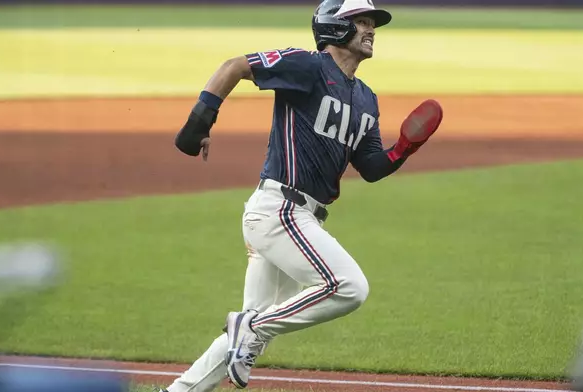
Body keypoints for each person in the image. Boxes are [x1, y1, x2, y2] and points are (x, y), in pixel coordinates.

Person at [166, 0, 443, 391]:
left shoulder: (366, 99)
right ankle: (253, 327)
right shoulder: (309, 66)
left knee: (246, 336)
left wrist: (403, 150)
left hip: (300, 219)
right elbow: (235, 66)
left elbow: (371, 168)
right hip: (279, 211)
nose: (370, 29)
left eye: (372, 23)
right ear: (333, 27)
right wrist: (200, 121)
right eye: (360, 22)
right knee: (347, 287)